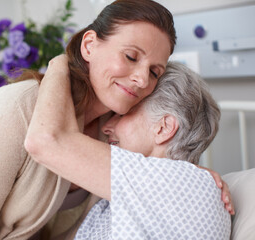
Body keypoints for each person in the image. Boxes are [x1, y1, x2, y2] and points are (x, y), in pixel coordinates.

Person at [0, 1, 231, 239]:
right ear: (89, 45)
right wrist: (59, 63)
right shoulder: (19, 108)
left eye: (154, 72)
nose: (142, 79)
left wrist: (190, 171)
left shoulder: (109, 137)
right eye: (130, 56)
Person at [25, 59, 232, 239]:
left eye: (123, 114)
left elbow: (46, 141)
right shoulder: (173, 185)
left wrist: (60, 64)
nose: (107, 126)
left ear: (163, 127)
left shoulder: (175, 183)